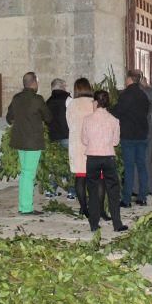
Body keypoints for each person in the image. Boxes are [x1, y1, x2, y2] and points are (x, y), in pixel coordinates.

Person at [6, 72, 52, 215]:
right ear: (34, 82)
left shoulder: (16, 98)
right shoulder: (37, 99)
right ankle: (26, 207)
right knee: (28, 174)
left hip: (20, 140)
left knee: (25, 173)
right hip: (33, 142)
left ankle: (23, 205)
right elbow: (49, 117)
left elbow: (9, 118)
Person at [81, 90, 127, 232]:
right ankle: (117, 224)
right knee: (113, 190)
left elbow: (84, 140)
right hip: (108, 157)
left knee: (93, 190)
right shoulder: (114, 120)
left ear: (95, 102)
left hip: (92, 158)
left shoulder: (87, 119)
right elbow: (115, 142)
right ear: (108, 102)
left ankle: (94, 224)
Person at [113, 69, 151, 207]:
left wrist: (105, 109)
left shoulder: (125, 94)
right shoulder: (143, 94)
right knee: (142, 166)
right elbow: (146, 111)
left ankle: (127, 199)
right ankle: (142, 197)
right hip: (142, 134)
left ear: (129, 78)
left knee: (129, 167)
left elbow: (118, 111)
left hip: (128, 135)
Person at [66, 78, 98, 217]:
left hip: (76, 144)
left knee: (80, 177)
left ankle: (83, 207)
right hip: (92, 142)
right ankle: (93, 205)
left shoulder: (72, 104)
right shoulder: (93, 104)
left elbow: (69, 123)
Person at [45, 78, 72, 199]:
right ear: (63, 86)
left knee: (54, 164)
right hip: (67, 136)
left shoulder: (48, 102)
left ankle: (51, 190)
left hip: (52, 137)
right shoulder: (68, 100)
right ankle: (72, 192)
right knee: (70, 163)